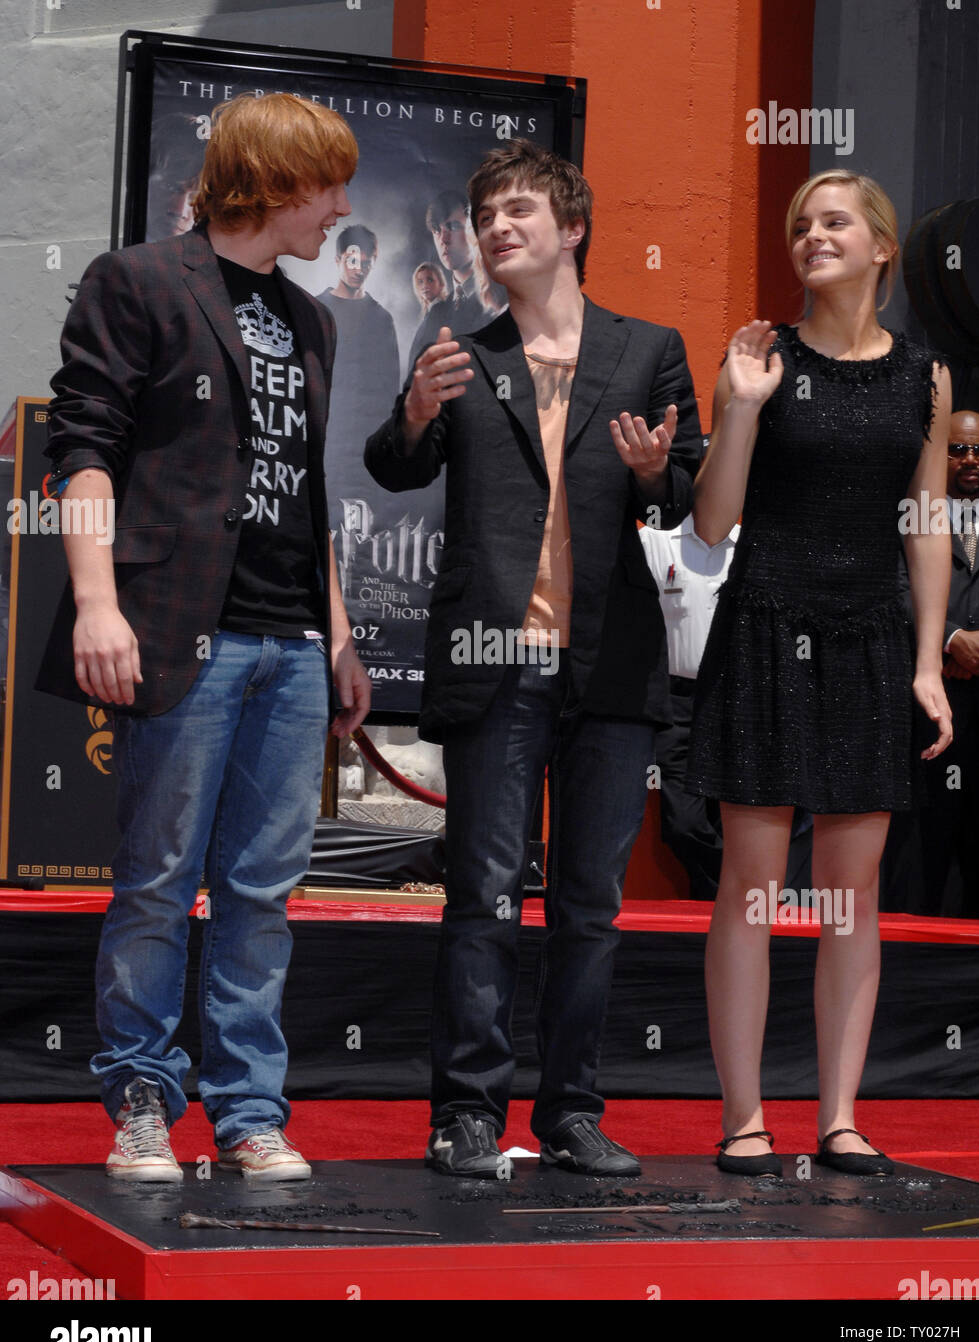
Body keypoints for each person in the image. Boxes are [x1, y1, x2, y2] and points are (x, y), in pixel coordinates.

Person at [37, 93, 371, 1183]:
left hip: (289, 642)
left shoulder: (313, 319)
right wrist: (97, 601)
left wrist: (336, 633)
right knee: (154, 878)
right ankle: (141, 1099)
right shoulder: (137, 280)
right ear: (275, 179)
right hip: (183, 629)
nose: (338, 208)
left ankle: (247, 1114)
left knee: (262, 890)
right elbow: (81, 452)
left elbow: (303, 490)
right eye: (328, 184)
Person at [366, 138, 701, 1179]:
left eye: (518, 210)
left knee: (589, 907)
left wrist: (655, 476)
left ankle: (569, 1110)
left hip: (609, 665)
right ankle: (467, 1110)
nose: (497, 227)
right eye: (486, 216)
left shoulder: (648, 348)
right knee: (481, 894)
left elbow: (686, 499)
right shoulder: (460, 351)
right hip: (492, 658)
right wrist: (416, 407)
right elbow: (390, 462)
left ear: (571, 228)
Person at [686, 169, 952, 1177]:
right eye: (800, 224)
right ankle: (744, 1117)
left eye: (832, 221)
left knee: (852, 892)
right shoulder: (758, 357)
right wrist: (742, 408)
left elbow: (923, 526)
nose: (810, 236)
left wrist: (927, 663)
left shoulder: (923, 378)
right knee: (749, 890)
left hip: (870, 640)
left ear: (880, 246)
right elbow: (710, 524)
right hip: (763, 624)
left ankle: (837, 1115)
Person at [638, 516, 813, 899]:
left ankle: (722, 913)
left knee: (738, 816)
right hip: (676, 700)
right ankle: (744, 888)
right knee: (682, 822)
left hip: (742, 696)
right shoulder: (653, 540)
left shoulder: (755, 546)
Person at [884, 411, 979, 919]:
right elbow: (892, 592)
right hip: (926, 719)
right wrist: (952, 639)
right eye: (957, 450)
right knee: (920, 863)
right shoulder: (906, 518)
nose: (971, 461)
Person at [317, 224, 401, 523]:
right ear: (339, 258)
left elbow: (391, 390)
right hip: (324, 448)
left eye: (367, 261)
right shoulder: (315, 310)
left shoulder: (382, 319)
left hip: (368, 453)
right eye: (353, 259)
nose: (359, 268)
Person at [406, 190, 493, 369]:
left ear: (475, 231)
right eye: (437, 230)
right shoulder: (436, 315)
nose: (443, 239)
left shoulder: (499, 302)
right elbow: (413, 381)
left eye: (453, 227)